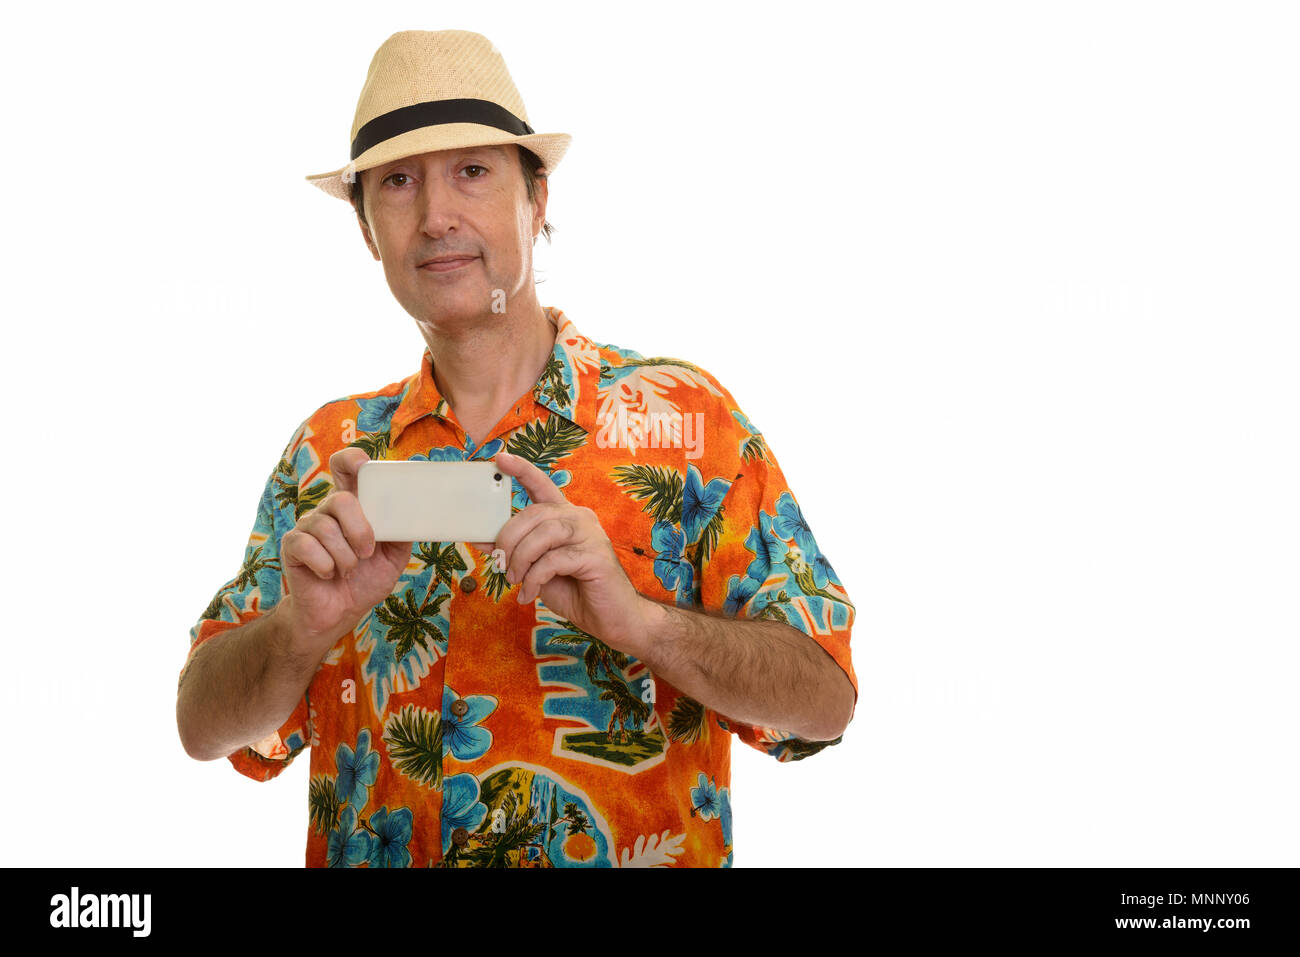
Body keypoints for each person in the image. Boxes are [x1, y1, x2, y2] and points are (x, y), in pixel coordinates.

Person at [176, 29, 857, 868]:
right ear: (365, 228)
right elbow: (202, 726)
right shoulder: (328, 452)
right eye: (397, 182)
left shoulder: (687, 423)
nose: (435, 217)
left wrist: (643, 625)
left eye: (472, 171)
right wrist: (296, 630)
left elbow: (825, 697)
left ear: (537, 199)